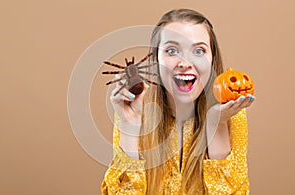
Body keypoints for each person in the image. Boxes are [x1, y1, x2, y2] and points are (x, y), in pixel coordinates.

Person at [101, 8, 255, 194]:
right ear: (155, 60)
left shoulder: (231, 115)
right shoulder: (134, 110)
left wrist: (218, 125)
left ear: (212, 60)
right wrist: (130, 126)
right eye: (172, 50)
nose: (184, 63)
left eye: (199, 51)